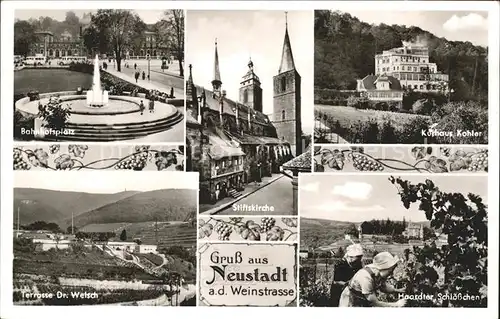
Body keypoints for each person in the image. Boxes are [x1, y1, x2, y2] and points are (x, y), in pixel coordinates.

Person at [339, 251, 406, 307]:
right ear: (382, 268)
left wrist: (398, 290)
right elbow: (375, 303)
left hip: (361, 298)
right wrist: (396, 304)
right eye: (390, 271)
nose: (392, 273)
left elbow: (383, 287)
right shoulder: (366, 278)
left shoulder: (378, 273)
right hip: (351, 299)